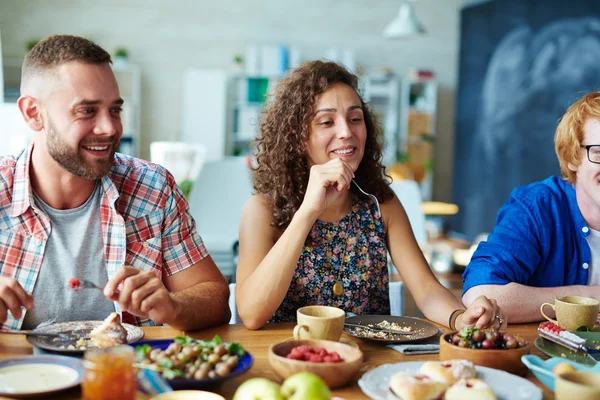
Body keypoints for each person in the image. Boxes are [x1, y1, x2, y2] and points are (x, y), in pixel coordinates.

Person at [236, 60, 505, 331]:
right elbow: (252, 313)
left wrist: (461, 318)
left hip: (371, 360)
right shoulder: (262, 210)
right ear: (297, 137)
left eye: (355, 119)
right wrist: (307, 212)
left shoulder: (381, 204)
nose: (346, 132)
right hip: (293, 358)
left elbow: (426, 290)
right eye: (327, 122)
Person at [0, 35, 230, 331]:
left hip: (129, 370)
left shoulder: (153, 186)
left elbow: (214, 297)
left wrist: (174, 306)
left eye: (115, 110)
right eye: (87, 110)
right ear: (33, 113)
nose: (110, 128)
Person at [463, 92, 600, 323]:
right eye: (599, 152)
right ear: (573, 158)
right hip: (542, 357)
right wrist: (590, 297)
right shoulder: (537, 208)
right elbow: (481, 293)